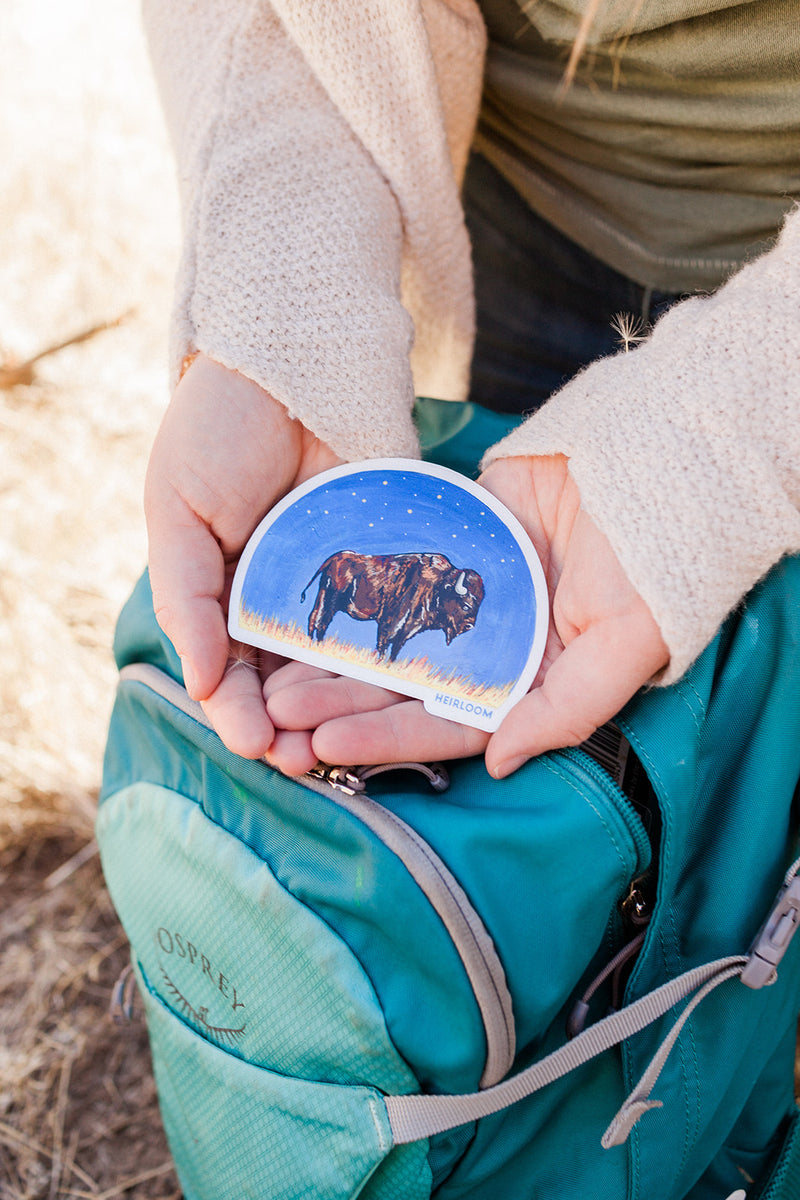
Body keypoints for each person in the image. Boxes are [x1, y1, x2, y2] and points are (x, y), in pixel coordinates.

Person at [142, 0, 800, 780]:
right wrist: (282, 307)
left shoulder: (438, 580)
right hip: (505, 202)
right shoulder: (414, 577)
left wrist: (734, 426)